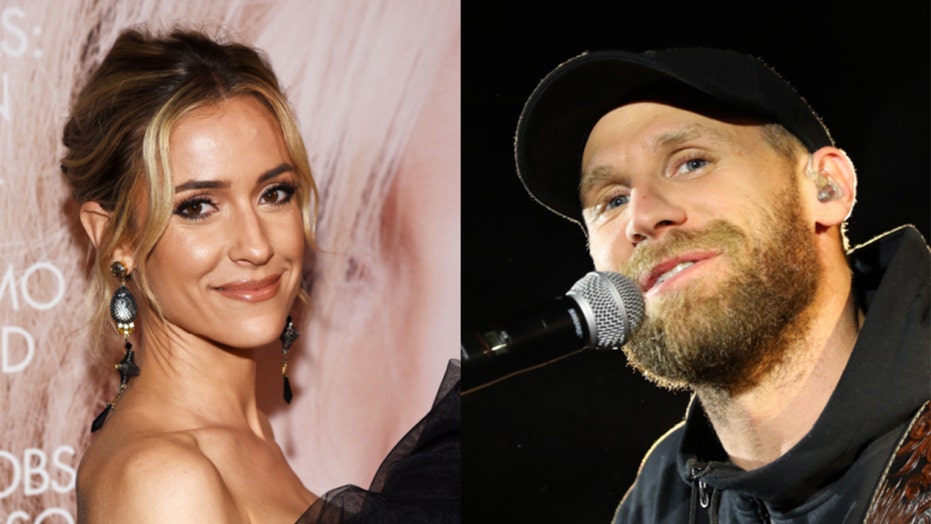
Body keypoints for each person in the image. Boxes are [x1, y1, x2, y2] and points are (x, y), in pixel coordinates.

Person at [512, 48, 930, 522]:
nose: (642, 217)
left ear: (826, 188)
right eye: (612, 200)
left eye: (691, 163)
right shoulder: (661, 499)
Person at [60, 26, 459, 523]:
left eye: (274, 194)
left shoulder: (248, 439)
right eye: (199, 206)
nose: (257, 245)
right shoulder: (163, 478)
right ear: (115, 238)